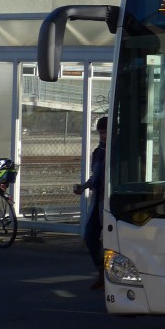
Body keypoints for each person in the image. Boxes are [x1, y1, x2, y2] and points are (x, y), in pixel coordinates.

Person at [73, 116, 107, 289]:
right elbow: (95, 177)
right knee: (90, 236)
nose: (103, 136)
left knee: (108, 239)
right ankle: (102, 272)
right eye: (101, 132)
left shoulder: (116, 151)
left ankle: (107, 274)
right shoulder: (98, 152)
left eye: (106, 132)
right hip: (97, 200)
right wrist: (84, 187)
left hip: (109, 200)